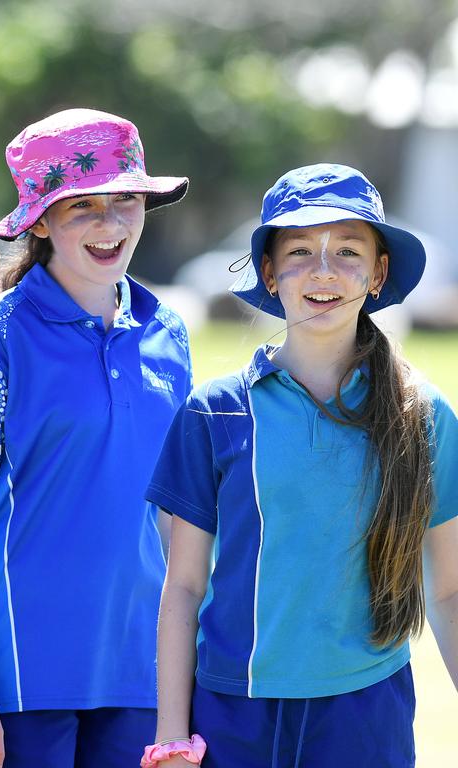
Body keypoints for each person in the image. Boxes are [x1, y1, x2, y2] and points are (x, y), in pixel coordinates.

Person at [144, 164, 458, 768]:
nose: (323, 271)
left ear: (378, 272)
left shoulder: (424, 414)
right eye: (299, 251)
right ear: (269, 272)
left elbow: (447, 589)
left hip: (365, 713)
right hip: (231, 714)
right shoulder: (214, 413)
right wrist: (172, 738)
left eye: (346, 250)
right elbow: (183, 588)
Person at [0, 108, 193, 767]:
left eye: (126, 199)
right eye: (83, 206)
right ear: (40, 221)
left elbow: (180, 524)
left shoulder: (168, 332)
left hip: (142, 672)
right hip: (21, 679)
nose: (111, 224)